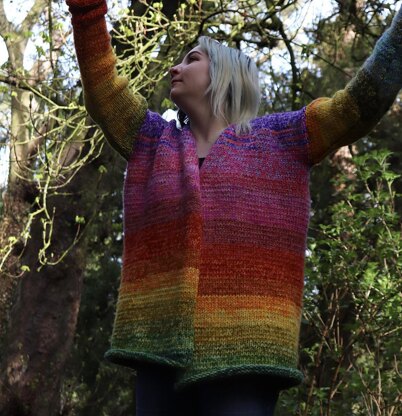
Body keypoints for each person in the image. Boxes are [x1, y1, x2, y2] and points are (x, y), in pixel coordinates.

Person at [66, 0, 402, 414]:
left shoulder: (284, 138)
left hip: (246, 360)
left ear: (224, 74)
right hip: (157, 358)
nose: (176, 68)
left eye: (191, 60)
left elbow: (358, 104)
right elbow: (104, 93)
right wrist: (86, 12)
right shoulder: (152, 141)